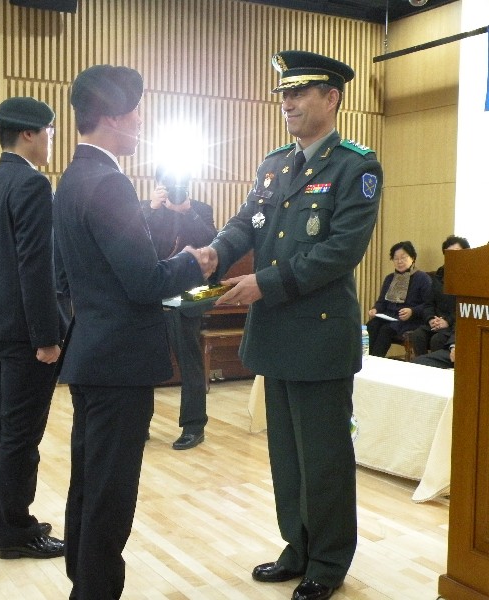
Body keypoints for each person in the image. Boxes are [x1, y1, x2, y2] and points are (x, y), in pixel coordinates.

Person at [199, 50, 382, 600]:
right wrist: (216, 252)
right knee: (286, 457)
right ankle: (296, 547)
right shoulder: (275, 165)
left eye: (300, 93)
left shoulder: (356, 167)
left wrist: (265, 283)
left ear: (333, 98)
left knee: (324, 459)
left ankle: (328, 560)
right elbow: (247, 221)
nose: (288, 103)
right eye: (284, 93)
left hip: (320, 338)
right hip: (276, 335)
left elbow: (339, 252)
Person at [52, 64, 212, 600]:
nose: (141, 121)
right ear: (114, 116)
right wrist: (195, 261)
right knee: (111, 493)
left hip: (93, 353)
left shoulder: (73, 178)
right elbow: (145, 282)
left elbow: (69, 275)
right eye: (137, 110)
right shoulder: (110, 183)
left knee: (89, 482)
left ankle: (83, 582)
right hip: (120, 363)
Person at [0, 97, 66, 560]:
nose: (51, 140)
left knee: (1, 427)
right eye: (49, 131)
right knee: (21, 435)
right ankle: (16, 531)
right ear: (29, 133)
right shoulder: (31, 183)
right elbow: (35, 267)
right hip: (25, 332)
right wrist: (47, 338)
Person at [141, 166, 217, 450]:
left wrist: (187, 212)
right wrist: (152, 209)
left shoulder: (200, 210)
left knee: (190, 363)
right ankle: (140, 425)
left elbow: (211, 241)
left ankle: (194, 427)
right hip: (152, 295)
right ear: (158, 184)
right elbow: (137, 243)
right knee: (144, 364)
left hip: (187, 297)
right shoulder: (146, 209)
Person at [407, 235, 469, 358]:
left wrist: (447, 321)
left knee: (437, 339)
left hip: (455, 325)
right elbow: (428, 304)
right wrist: (431, 319)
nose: (452, 257)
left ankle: (438, 366)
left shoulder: (470, 278)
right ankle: (422, 365)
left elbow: (465, 308)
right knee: (418, 335)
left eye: (457, 252)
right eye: (449, 253)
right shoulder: (438, 276)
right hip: (436, 322)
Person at [365, 241, 431, 357]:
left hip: (410, 320)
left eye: (403, 258)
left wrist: (412, 311)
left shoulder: (423, 278)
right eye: (396, 258)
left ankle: (375, 360)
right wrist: (375, 309)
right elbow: (382, 302)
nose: (399, 261)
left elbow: (429, 304)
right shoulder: (390, 278)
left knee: (386, 330)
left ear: (413, 258)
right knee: (372, 325)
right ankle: (365, 359)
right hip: (389, 316)